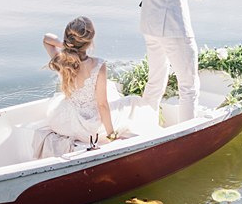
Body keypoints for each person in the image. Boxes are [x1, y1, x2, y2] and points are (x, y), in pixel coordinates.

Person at [35, 16, 157, 158]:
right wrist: (112, 135)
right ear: (90, 41)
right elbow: (102, 105)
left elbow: (46, 39)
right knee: (133, 102)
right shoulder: (98, 65)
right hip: (90, 129)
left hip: (65, 121)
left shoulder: (62, 61)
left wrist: (68, 46)